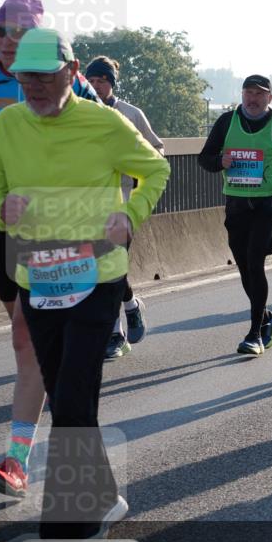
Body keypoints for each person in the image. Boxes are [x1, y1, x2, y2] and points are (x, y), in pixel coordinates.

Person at [0, 28, 169, 537]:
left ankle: (73, 517)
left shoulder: (103, 123)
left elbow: (155, 169)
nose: (34, 87)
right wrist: (2, 208)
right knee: (69, 397)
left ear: (71, 70)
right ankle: (104, 498)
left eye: (45, 76)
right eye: (25, 77)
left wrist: (130, 214)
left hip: (96, 278)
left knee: (72, 393)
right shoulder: (9, 124)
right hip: (37, 279)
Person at [0, 0, 101, 500]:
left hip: (53, 226)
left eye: (18, 32)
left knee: (29, 337)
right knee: (24, 335)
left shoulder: (72, 80)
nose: (7, 42)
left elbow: (109, 138)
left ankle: (18, 460)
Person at [199, 75, 272, 355]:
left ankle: (255, 334)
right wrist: (220, 161)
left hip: (268, 204)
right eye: (248, 93)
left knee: (255, 262)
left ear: (269, 99)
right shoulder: (227, 123)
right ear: (242, 95)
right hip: (237, 204)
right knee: (243, 267)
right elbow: (204, 158)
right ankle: (266, 319)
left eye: (259, 94)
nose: (253, 99)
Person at [84, 55, 165, 359]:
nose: (96, 86)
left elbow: (157, 150)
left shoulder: (130, 114)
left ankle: (115, 334)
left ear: (111, 83)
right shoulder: (76, 114)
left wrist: (133, 169)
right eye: (91, 81)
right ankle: (130, 306)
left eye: (102, 80)